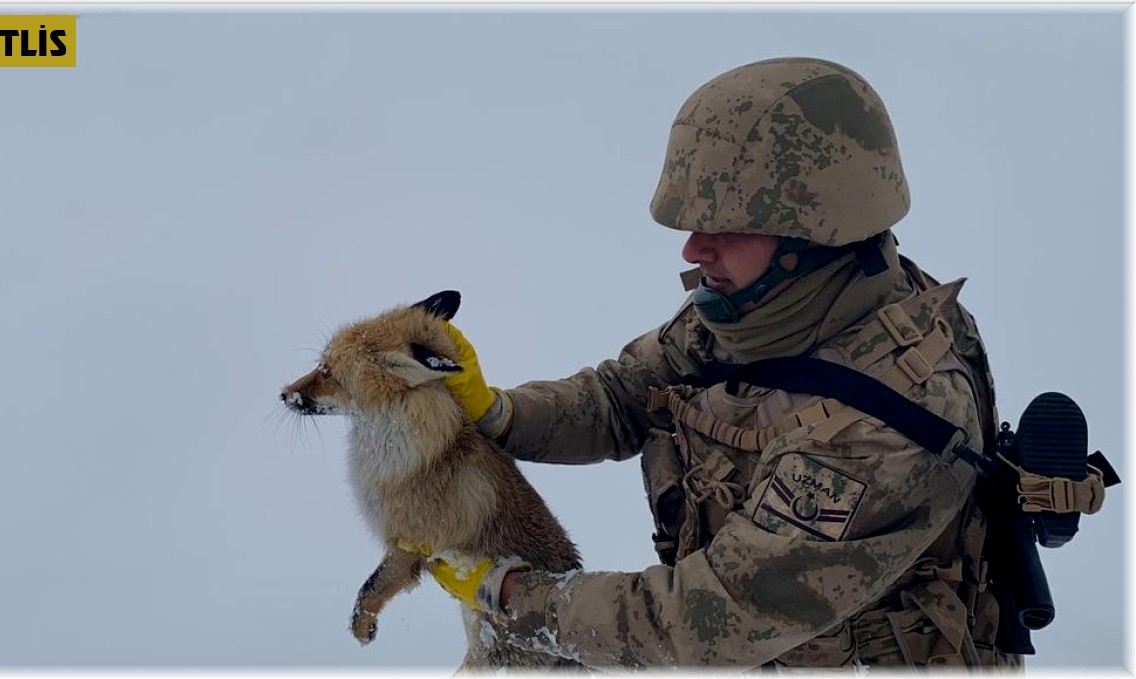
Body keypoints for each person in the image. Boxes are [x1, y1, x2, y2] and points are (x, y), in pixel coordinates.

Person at [424, 57, 1020, 671]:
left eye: (726, 226)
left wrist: (513, 596)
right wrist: (498, 412)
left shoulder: (883, 429)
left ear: (816, 235)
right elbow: (621, 397)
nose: (692, 249)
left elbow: (705, 621)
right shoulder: (765, 306)